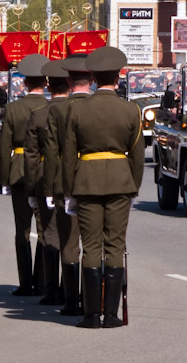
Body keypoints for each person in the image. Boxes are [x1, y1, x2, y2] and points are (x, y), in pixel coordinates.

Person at [61, 46, 144, 329]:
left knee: (91, 246)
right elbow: (137, 157)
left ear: (94, 78)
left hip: (86, 182)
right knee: (115, 246)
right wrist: (133, 188)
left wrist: (69, 190)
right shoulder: (131, 110)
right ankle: (111, 314)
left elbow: (69, 156)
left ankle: (91, 315)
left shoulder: (78, 110)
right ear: (118, 78)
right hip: (121, 181)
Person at [0, 53, 49, 297]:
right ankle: (43, 281)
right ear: (46, 82)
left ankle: (26, 283)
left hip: (19, 169)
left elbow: (4, 147)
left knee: (22, 229)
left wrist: (4, 179)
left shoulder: (13, 108)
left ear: (25, 82)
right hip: (44, 168)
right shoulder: (50, 108)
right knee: (44, 228)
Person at [23, 59, 71, 307]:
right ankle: (71, 291)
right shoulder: (78, 110)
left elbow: (31, 156)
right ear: (69, 85)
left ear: (49, 87)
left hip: (46, 177)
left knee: (50, 235)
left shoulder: (40, 114)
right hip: (76, 177)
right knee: (73, 238)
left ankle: (52, 291)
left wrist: (32, 188)